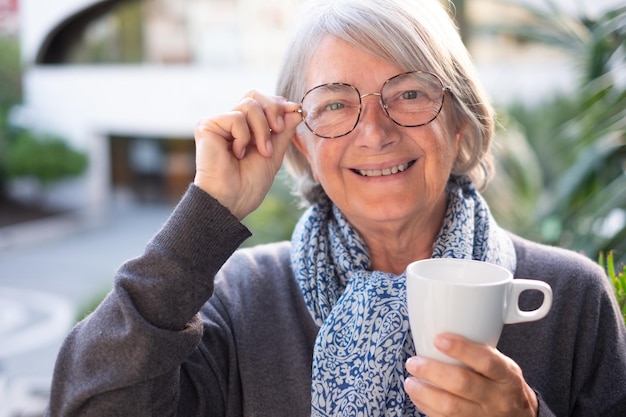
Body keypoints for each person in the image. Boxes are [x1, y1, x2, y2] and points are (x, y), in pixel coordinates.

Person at [46, 0, 626, 416]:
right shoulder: (238, 298)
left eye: (411, 93)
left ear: (460, 123)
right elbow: (89, 404)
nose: (374, 132)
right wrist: (205, 215)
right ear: (300, 141)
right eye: (335, 105)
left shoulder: (569, 297)